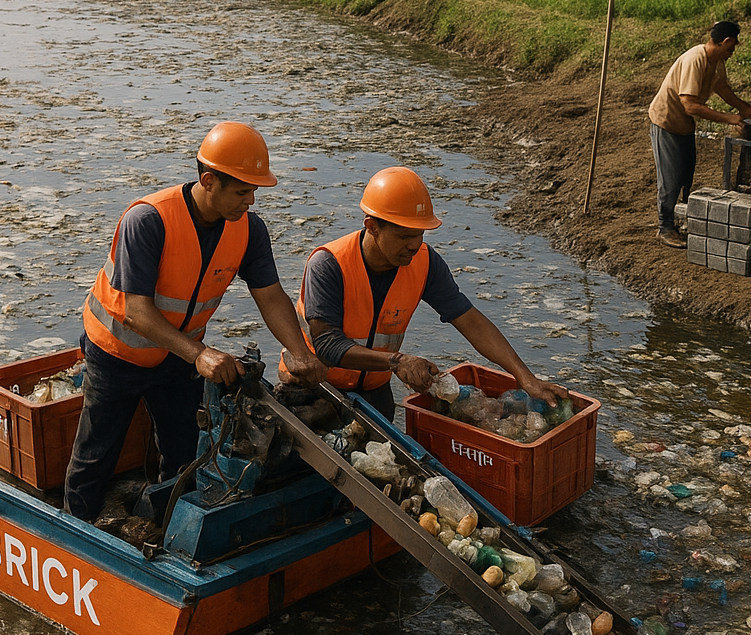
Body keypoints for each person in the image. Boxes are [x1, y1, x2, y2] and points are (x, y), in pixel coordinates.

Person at [65, 121, 325, 522]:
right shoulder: (148, 221)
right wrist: (201, 354)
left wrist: (297, 351)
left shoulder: (249, 231)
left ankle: (162, 525)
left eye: (254, 191)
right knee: (97, 453)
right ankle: (75, 532)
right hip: (117, 353)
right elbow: (136, 311)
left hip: (176, 356)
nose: (250, 201)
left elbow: (271, 296)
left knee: (184, 450)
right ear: (208, 181)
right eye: (242, 191)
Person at [278, 166, 567, 422]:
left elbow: (470, 320)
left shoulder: (425, 263)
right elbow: (328, 345)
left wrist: (524, 377)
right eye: (404, 236)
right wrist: (397, 362)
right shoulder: (329, 264)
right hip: (313, 388)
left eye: (420, 234)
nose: (414, 245)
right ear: (372, 226)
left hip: (374, 390)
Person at [648, 21, 751, 247]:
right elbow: (689, 105)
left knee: (686, 175)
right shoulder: (695, 59)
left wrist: (745, 108)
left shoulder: (716, 62)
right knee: (670, 179)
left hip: (685, 125)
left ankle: (681, 220)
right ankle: (665, 228)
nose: (732, 52)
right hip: (667, 120)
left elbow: (723, 89)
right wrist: (729, 118)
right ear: (726, 42)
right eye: (732, 47)